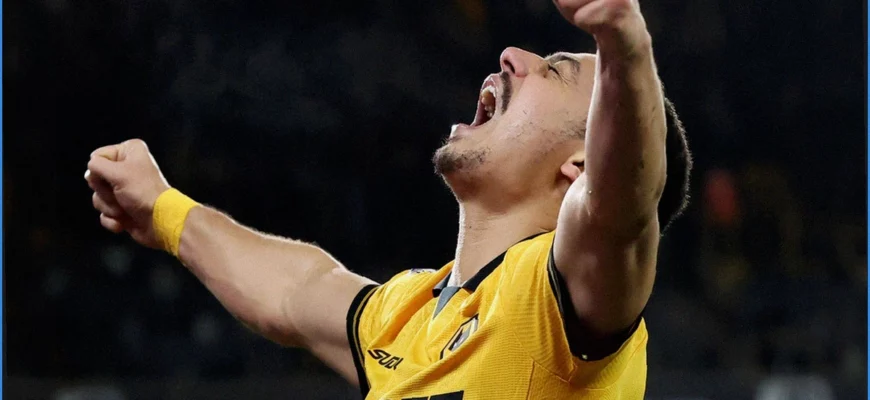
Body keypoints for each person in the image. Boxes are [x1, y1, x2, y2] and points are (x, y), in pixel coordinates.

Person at [85, 0, 691, 398]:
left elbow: (623, 204)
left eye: (555, 71)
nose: (512, 56)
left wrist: (623, 39)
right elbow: (295, 290)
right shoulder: (409, 313)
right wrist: (162, 209)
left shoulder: (562, 302)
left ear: (582, 164)